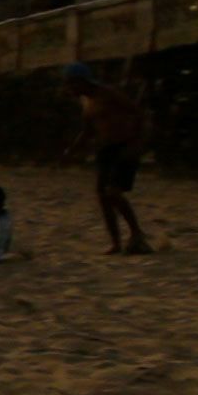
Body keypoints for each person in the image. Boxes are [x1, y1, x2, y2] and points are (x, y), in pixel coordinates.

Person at [61, 62, 152, 255]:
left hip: (125, 146)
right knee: (103, 197)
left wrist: (138, 143)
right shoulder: (86, 102)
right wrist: (73, 150)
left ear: (81, 81)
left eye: (71, 84)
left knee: (114, 192)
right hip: (106, 150)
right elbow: (87, 131)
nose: (69, 89)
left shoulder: (108, 94)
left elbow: (138, 114)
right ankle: (116, 242)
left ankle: (137, 233)